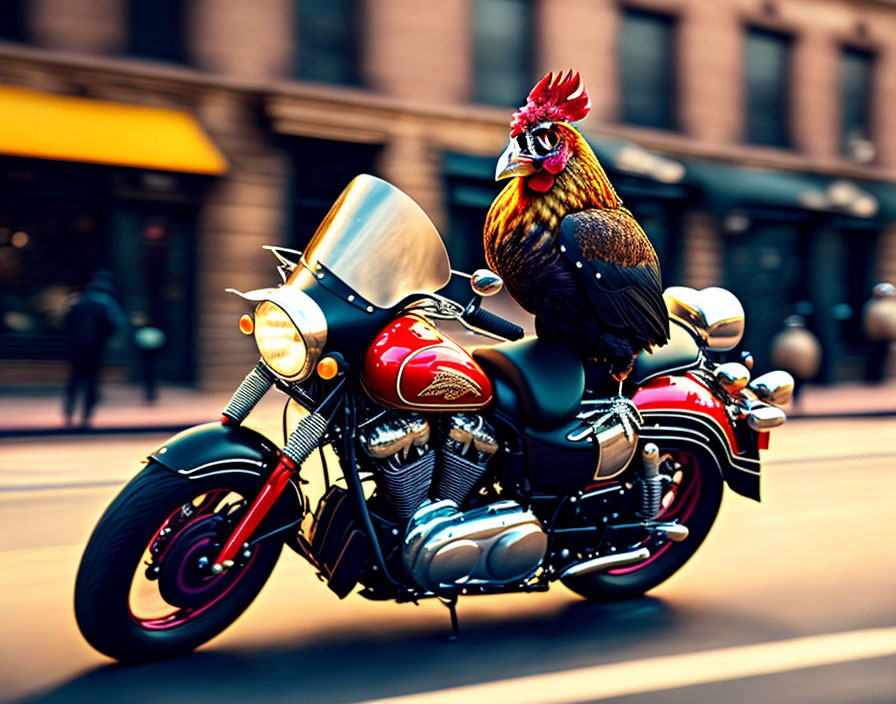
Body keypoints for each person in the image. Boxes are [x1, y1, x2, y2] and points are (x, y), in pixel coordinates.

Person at [62, 270, 126, 427]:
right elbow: (116, 322)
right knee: (91, 380)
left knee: (75, 379)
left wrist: (72, 339)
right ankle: (86, 416)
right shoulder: (106, 302)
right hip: (95, 348)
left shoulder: (81, 299)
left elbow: (67, 322)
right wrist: (104, 338)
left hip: (77, 347)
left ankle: (69, 412)